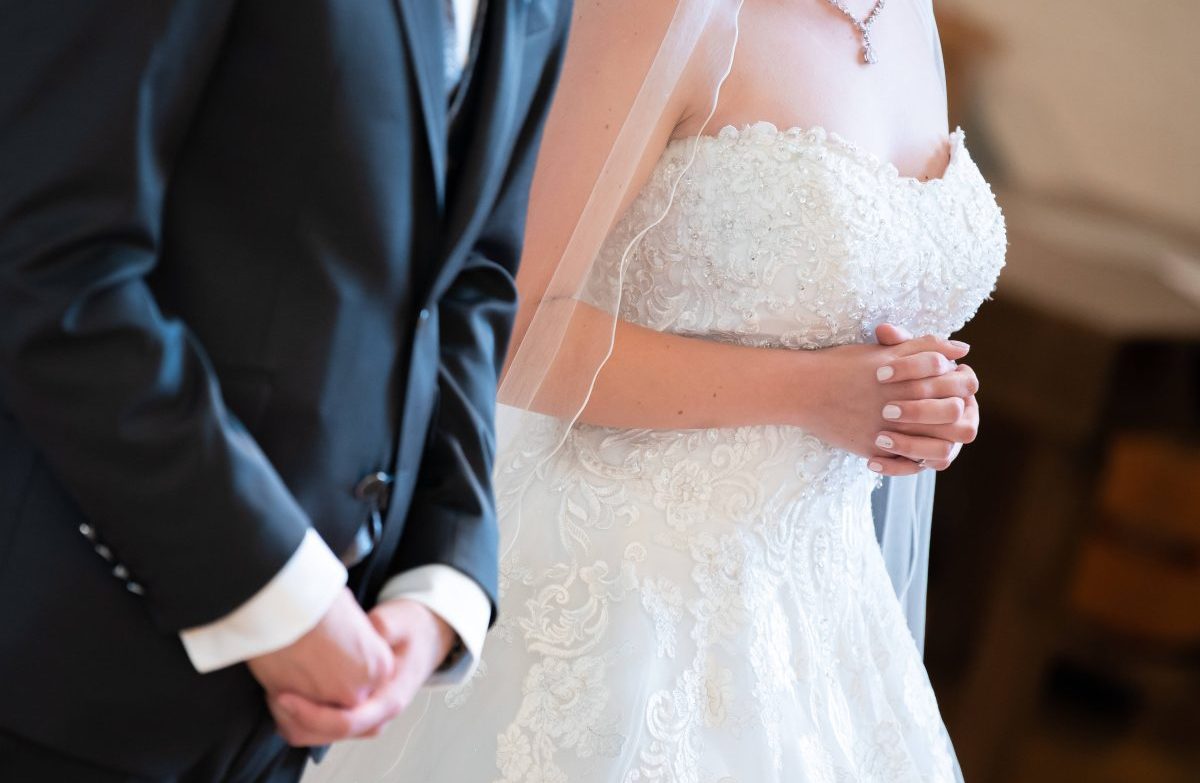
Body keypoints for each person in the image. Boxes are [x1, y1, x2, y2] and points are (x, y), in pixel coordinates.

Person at [308, 0, 1005, 780]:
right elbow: (512, 321)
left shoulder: (904, 16)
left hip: (823, 612)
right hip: (624, 592)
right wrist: (814, 392)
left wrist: (918, 400)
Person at [0, 0, 570, 780]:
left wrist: (445, 574)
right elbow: (46, 261)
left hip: (283, 720)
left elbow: (470, 275)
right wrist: (273, 589)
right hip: (55, 662)